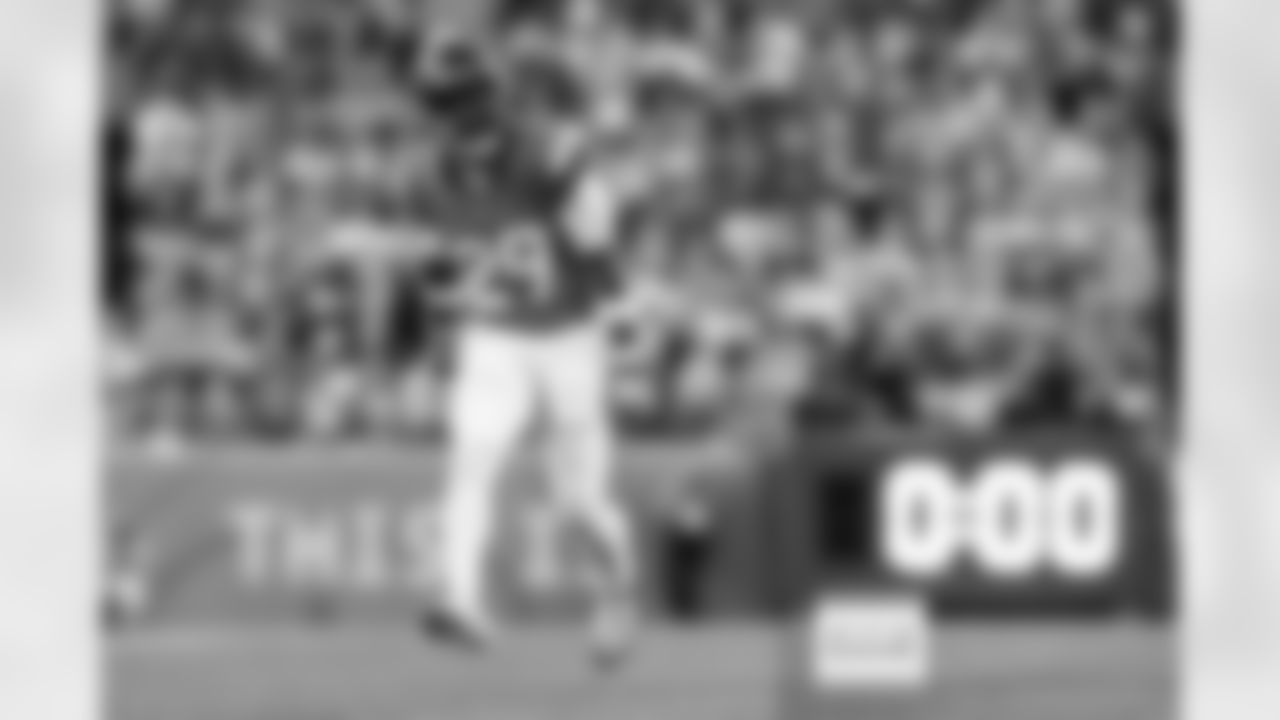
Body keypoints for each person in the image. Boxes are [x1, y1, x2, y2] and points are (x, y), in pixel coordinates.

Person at [425, 61, 642, 668]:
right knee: (469, 464)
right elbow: (464, 258)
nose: (464, 132)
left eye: (471, 115)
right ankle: (460, 598)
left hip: (568, 337)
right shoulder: (446, 169)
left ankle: (615, 593)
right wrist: (451, 292)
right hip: (495, 337)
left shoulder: (548, 156)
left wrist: (618, 308)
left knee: (579, 500)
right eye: (451, 116)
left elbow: (594, 238)